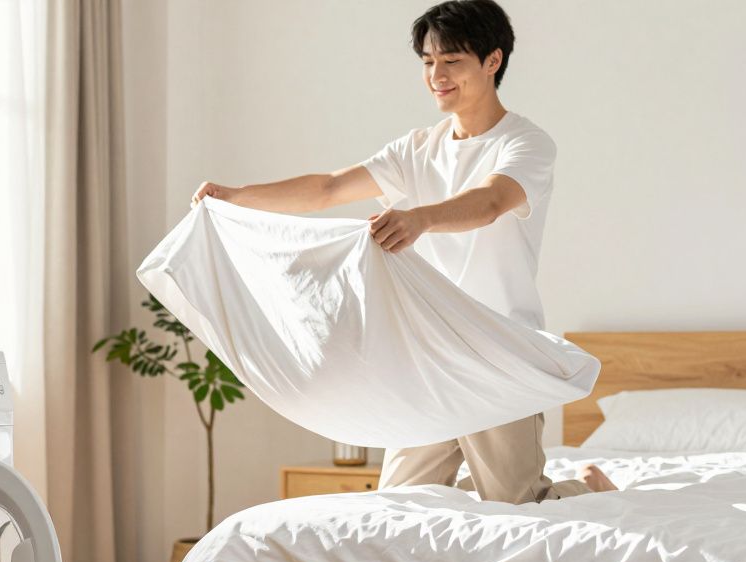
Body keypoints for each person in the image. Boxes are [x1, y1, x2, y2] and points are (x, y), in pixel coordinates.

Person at [190, 0, 615, 503]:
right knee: (398, 504)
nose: (437, 75)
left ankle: (588, 486)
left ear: (493, 61)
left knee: (520, 504)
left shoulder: (525, 143)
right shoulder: (415, 148)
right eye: (428, 62)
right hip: (426, 356)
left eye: (452, 61)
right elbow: (327, 188)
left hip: (497, 352)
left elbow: (493, 200)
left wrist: (421, 218)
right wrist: (236, 195)